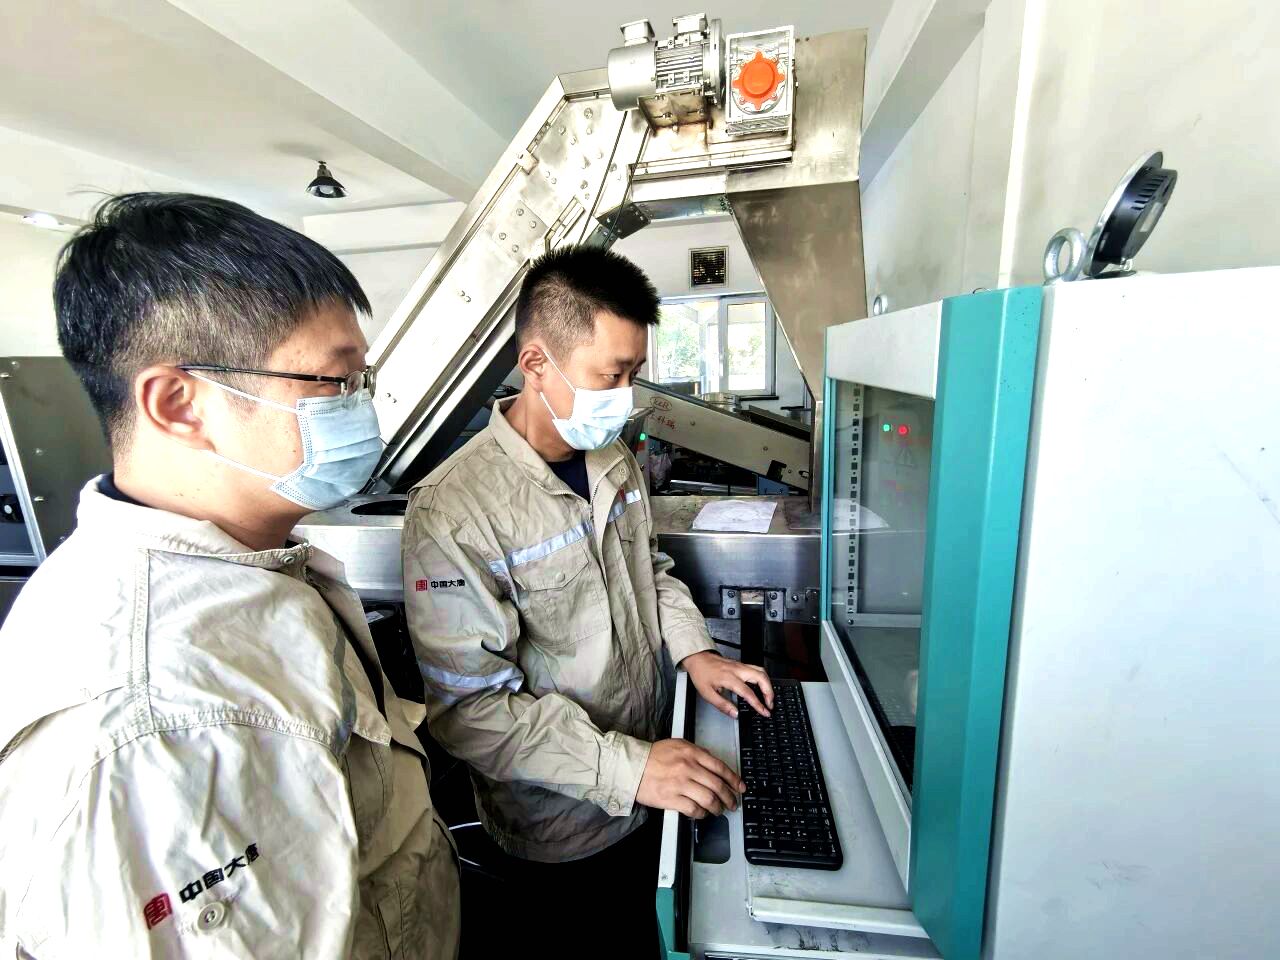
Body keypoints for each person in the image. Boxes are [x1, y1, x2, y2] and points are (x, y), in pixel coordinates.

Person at [0, 193, 459, 958]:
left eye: (361, 382)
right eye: (332, 383)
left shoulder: (260, 560)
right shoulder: (152, 722)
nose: (359, 410)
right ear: (180, 405)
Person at [402, 245, 775, 951]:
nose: (626, 396)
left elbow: (649, 569)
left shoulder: (613, 457)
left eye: (634, 373)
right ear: (536, 362)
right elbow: (471, 714)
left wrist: (694, 653)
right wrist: (629, 769)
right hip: (562, 825)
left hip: (655, 767)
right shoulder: (455, 510)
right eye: (612, 375)